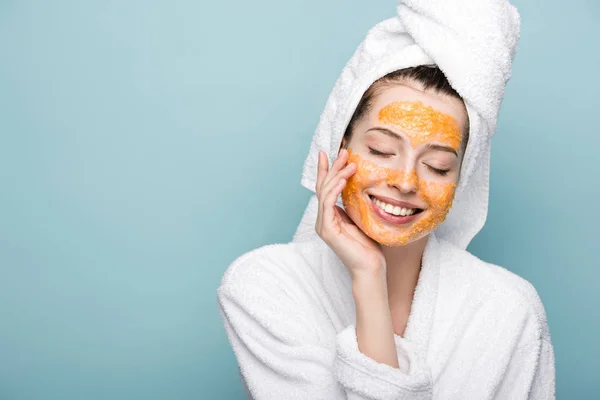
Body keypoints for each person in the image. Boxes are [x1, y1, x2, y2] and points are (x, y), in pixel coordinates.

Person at [217, 1, 556, 399]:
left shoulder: (508, 311)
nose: (406, 181)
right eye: (380, 151)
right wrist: (368, 278)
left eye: (438, 165)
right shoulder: (264, 288)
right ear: (340, 146)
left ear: (461, 179)